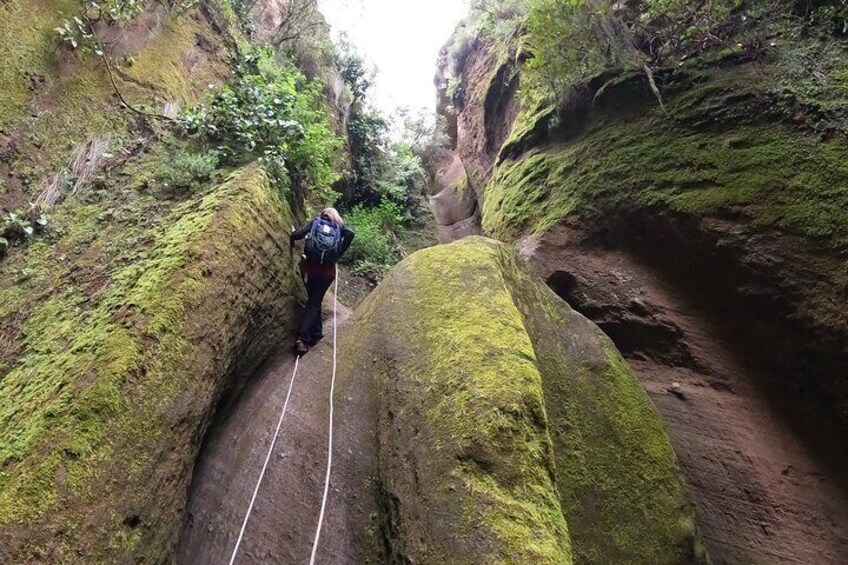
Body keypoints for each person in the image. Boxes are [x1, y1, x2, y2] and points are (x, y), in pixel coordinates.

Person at [290, 208, 355, 356]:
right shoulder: (339, 227)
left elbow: (298, 235)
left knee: (314, 300)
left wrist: (293, 234)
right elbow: (351, 233)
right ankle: (308, 336)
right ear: (336, 216)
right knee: (315, 301)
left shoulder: (316, 222)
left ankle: (308, 336)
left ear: (323, 214)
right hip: (327, 273)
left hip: (312, 269)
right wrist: (339, 252)